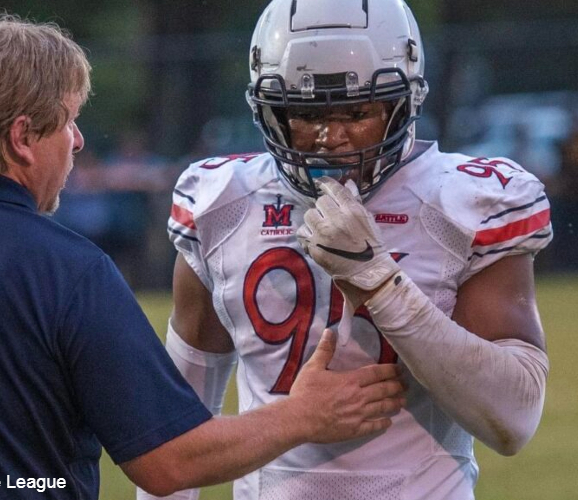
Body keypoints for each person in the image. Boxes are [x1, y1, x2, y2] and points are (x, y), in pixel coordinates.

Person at [0, 14, 406, 500]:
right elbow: (168, 462)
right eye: (69, 121)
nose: (80, 141)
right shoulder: (65, 267)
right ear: (21, 137)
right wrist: (302, 416)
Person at [153, 0, 552, 499]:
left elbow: (512, 421)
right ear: (269, 109)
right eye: (305, 113)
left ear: (403, 102)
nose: (330, 138)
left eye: (358, 112)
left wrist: (381, 284)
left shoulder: (466, 203)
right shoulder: (221, 203)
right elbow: (176, 426)